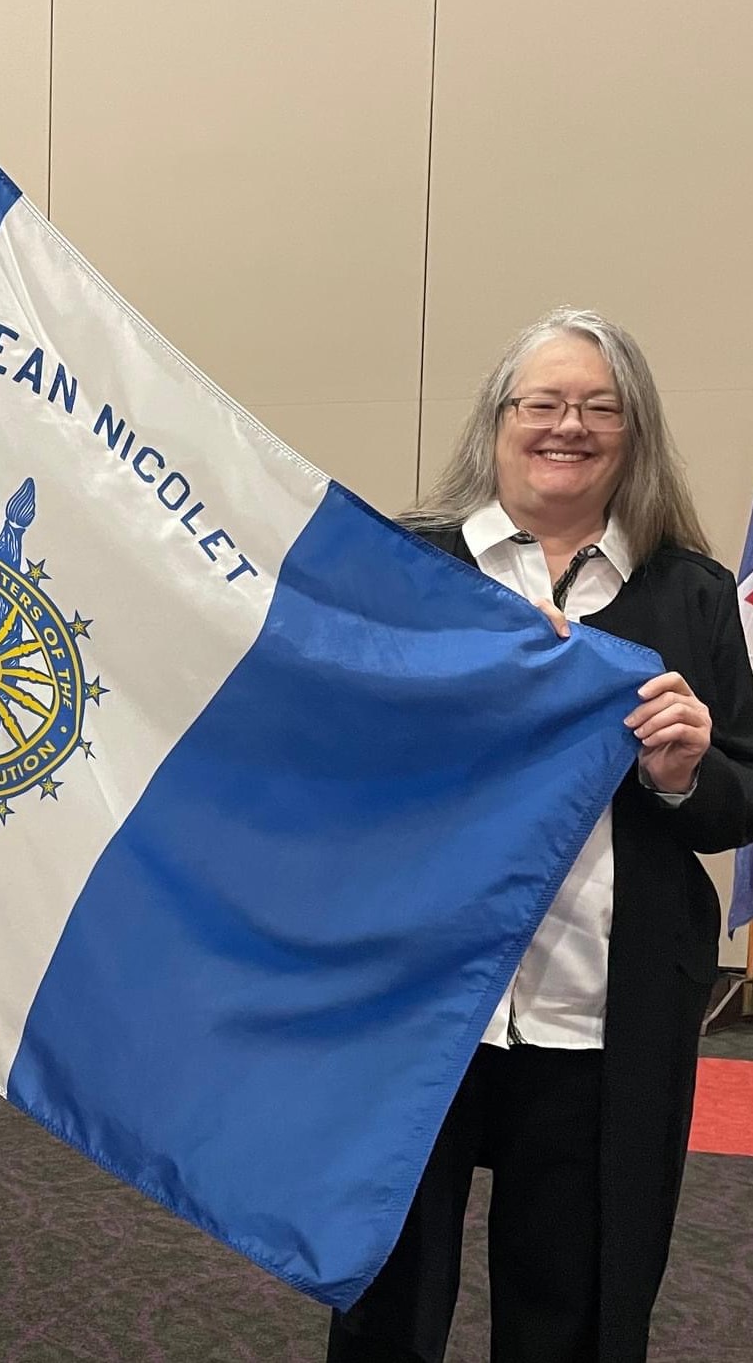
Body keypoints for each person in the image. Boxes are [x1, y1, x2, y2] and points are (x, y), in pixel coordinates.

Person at [324, 308, 753, 1363]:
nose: (569, 424)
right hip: (423, 1004)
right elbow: (342, 751)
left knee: (570, 1299)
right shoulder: (410, 566)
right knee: (383, 1290)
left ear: (632, 431)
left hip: (592, 1017)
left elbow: (744, 794)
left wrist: (684, 769)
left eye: (599, 407)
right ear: (499, 420)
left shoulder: (687, 593)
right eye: (544, 403)